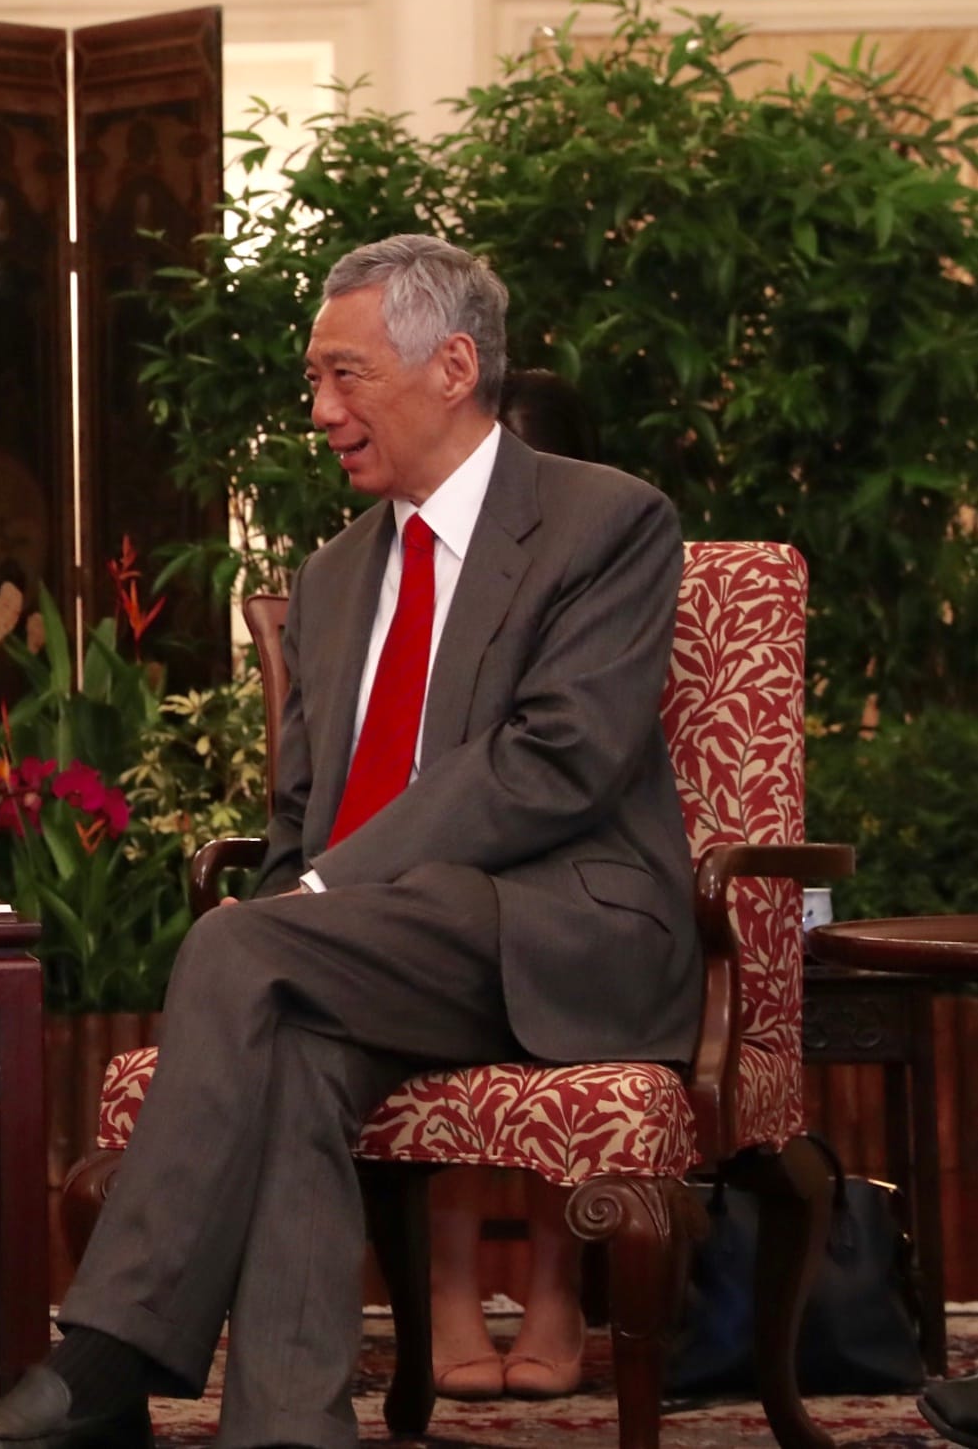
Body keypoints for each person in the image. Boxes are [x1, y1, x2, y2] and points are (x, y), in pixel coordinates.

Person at [0, 235, 700, 1449]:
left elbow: (562, 758)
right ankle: (288, 1431)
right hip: (369, 952)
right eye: (314, 382)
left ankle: (108, 1354)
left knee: (242, 954)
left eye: (345, 374)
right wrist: (304, 893)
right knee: (287, 1046)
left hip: (554, 931)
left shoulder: (605, 521)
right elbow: (297, 818)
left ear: (452, 366)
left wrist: (319, 894)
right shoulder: (332, 579)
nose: (321, 410)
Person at [425, 364, 599, 1402]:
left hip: (573, 871)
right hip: (439, 866)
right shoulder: (411, 572)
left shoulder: (613, 558)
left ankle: (554, 1286)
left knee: (543, 947)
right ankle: (448, 1292)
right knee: (443, 934)